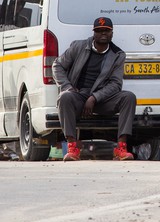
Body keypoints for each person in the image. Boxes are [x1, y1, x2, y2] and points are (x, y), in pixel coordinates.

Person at [52, 17, 136, 161]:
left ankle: (121, 148)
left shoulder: (118, 54)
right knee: (64, 97)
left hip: (102, 99)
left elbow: (116, 84)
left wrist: (94, 97)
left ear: (112, 33)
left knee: (129, 97)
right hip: (78, 95)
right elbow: (57, 65)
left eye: (106, 31)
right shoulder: (79, 46)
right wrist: (67, 87)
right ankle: (72, 147)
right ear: (94, 33)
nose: (103, 33)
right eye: (99, 30)